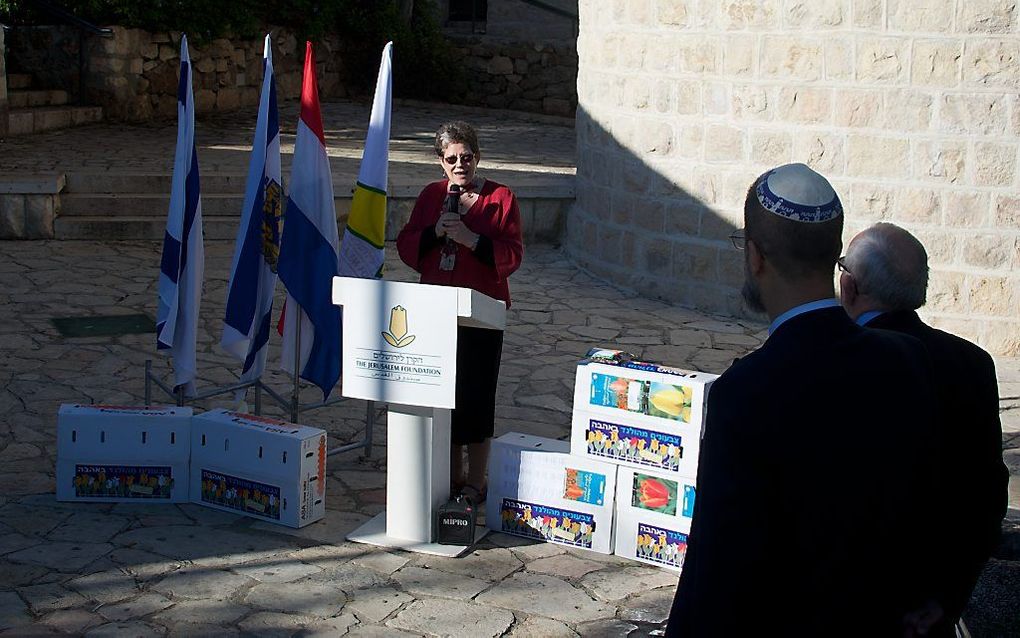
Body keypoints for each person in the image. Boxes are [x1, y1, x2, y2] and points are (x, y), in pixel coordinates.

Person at [667, 163, 940, 637]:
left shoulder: (746, 393)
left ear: (754, 256)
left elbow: (721, 564)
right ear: (836, 253)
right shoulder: (907, 361)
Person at [840, 222, 1008, 636]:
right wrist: (947, 597)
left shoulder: (838, 365)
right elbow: (986, 497)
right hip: (927, 607)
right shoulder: (971, 363)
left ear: (850, 287)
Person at [396, 121, 523, 503]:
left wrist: (472, 240)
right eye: (451, 158)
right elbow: (406, 244)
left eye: (466, 157)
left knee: (477, 395)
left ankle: (477, 480)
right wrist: (435, 232)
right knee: (445, 394)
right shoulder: (431, 195)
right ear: (440, 162)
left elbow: (513, 253)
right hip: (436, 310)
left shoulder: (501, 197)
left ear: (477, 156)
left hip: (481, 313)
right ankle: (452, 476)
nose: (459, 164)